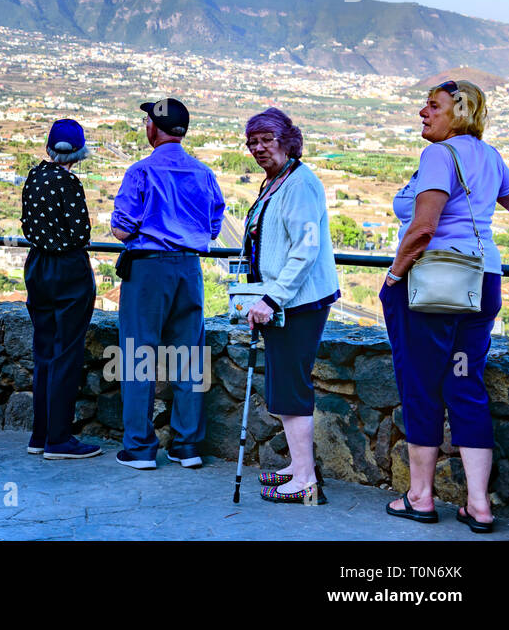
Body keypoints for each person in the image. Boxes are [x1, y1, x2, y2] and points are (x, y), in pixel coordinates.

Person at [383, 80, 509, 534]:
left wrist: (394, 275)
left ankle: (420, 496)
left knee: (421, 384)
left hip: (433, 288)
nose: (422, 112)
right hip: (483, 282)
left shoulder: (439, 155)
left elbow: (422, 228)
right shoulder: (491, 157)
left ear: (458, 113)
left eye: (432, 106)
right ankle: (478, 505)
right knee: (464, 382)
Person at [110, 98, 224, 470]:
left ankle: (141, 448)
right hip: (189, 268)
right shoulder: (204, 174)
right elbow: (213, 227)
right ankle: (188, 446)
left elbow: (122, 227)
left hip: (147, 270)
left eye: (146, 120)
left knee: (137, 355)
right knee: (190, 356)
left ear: (153, 129)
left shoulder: (140, 173)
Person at [236, 109, 340, 504]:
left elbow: (306, 249)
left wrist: (271, 297)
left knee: (291, 388)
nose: (258, 148)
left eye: (266, 139)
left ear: (287, 139)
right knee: (283, 386)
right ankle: (298, 469)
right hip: (283, 301)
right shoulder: (278, 180)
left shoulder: (300, 183)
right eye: (252, 142)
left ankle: (307, 482)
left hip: (297, 303)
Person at [20, 118, 100, 459]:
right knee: (66, 354)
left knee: (44, 353)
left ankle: (40, 435)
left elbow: (27, 223)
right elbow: (81, 233)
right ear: (79, 152)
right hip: (68, 269)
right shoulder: (69, 184)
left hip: (37, 267)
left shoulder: (34, 177)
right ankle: (59, 439)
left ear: (49, 148)